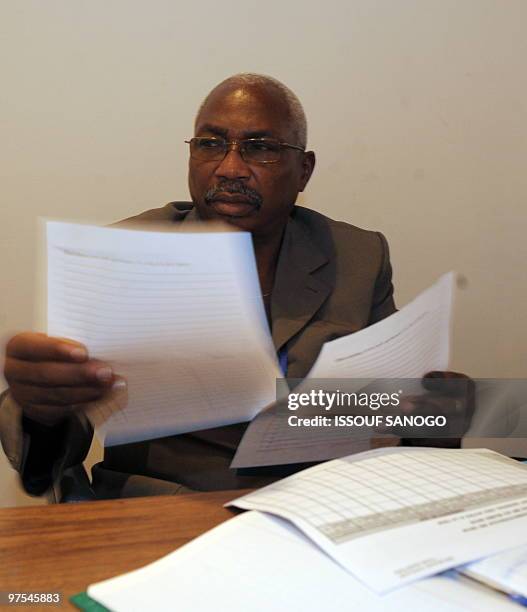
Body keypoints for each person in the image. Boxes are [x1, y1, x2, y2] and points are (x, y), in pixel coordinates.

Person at [0, 73, 472, 502]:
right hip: (161, 510)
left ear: (304, 170)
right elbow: (50, 456)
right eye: (210, 144)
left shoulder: (359, 256)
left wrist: (434, 416)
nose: (229, 168)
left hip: (318, 507)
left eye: (259, 147)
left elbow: (388, 413)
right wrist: (41, 408)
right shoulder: (125, 254)